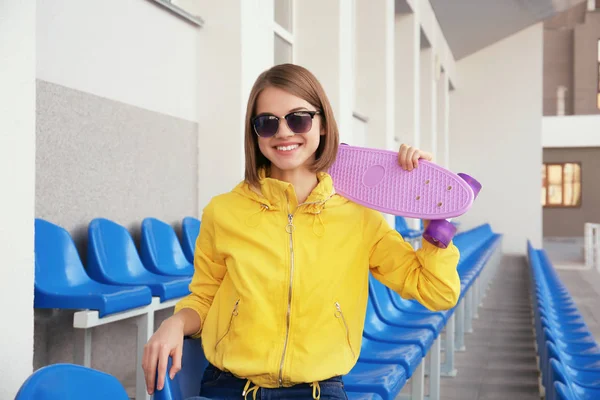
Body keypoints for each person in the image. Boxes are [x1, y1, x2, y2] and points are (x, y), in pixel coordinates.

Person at [142, 63, 460, 400]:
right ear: (255, 133)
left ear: (322, 125)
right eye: (267, 122)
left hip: (317, 391)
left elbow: (437, 292)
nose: (283, 132)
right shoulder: (223, 212)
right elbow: (204, 298)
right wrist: (174, 323)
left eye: (299, 118)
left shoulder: (359, 217)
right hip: (230, 388)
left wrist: (434, 216)